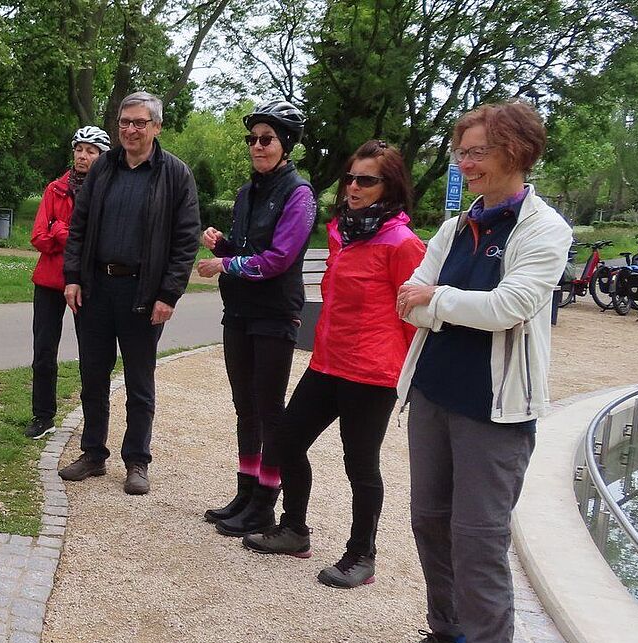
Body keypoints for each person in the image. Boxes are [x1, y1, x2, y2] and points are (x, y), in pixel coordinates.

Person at [384, 101, 569, 643]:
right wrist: (441, 304)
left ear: (516, 151)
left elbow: (509, 307)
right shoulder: (453, 227)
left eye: (478, 151)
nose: (465, 162)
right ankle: (447, 636)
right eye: (461, 152)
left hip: (495, 411)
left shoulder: (545, 229)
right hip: (433, 393)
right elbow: (406, 300)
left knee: (479, 537)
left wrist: (436, 301)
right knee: (429, 520)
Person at [238, 140, 426, 589]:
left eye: (366, 180)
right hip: (328, 362)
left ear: (390, 185)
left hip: (372, 371)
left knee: (360, 464)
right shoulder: (344, 231)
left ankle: (361, 555)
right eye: (350, 178)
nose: (354, 187)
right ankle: (294, 530)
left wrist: (407, 374)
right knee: (283, 441)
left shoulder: (401, 243)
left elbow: (415, 318)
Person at [55, 91, 201, 496]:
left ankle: (137, 460)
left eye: (139, 123)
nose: (130, 130)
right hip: (96, 290)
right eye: (124, 122)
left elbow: (186, 240)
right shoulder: (103, 169)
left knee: (139, 382)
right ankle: (92, 454)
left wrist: (168, 294)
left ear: (156, 127)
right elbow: (78, 227)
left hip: (143, 293)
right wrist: (72, 277)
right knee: (92, 377)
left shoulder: (174, 174)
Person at [195, 100, 317, 535]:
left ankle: (266, 501)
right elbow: (247, 251)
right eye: (252, 139)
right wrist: (223, 246)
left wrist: (225, 266)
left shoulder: (299, 195)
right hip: (241, 312)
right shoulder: (248, 193)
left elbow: (279, 259)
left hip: (275, 315)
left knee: (269, 409)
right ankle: (245, 492)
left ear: (285, 145)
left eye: (266, 139)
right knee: (244, 408)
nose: (257, 146)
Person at [25, 126, 111, 441]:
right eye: (79, 149)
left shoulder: (107, 191)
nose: (83, 155)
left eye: (90, 151)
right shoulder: (55, 189)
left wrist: (60, 230)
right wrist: (70, 235)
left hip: (87, 284)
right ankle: (42, 416)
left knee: (92, 356)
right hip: (49, 281)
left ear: (102, 156)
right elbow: (38, 237)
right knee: (43, 352)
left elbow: (99, 243)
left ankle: (93, 426)